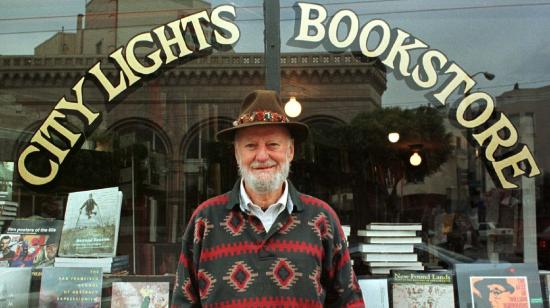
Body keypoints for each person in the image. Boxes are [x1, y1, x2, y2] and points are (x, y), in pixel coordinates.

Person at [172, 90, 364, 307]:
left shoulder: (322, 219)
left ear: (290, 151)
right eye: (251, 146)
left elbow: (349, 302)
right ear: (237, 154)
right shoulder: (204, 221)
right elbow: (182, 303)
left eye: (273, 144)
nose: (262, 156)